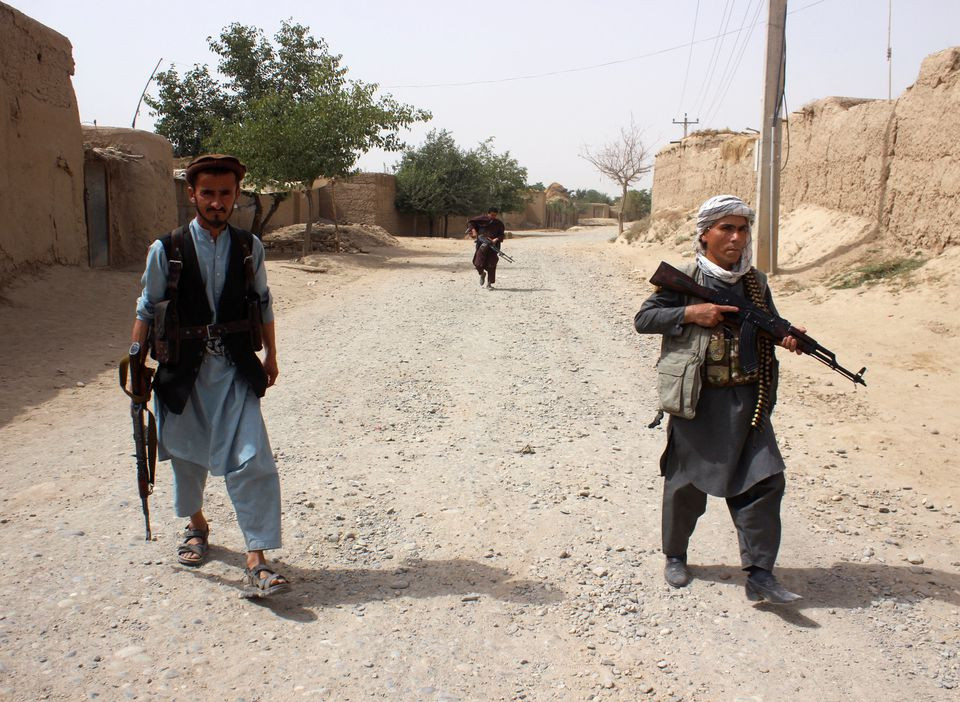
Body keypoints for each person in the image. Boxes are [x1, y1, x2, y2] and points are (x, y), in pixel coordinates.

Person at [130, 154, 290, 598]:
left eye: (225, 194)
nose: (217, 203)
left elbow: (263, 302)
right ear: (192, 194)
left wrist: (271, 355)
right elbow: (147, 306)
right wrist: (136, 362)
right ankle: (196, 526)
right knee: (185, 454)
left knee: (253, 457)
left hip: (236, 367)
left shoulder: (248, 247)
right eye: (208, 194)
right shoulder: (168, 249)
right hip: (182, 369)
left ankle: (256, 557)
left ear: (235, 195)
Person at [634, 194, 806, 605]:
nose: (736, 238)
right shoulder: (684, 275)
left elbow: (767, 324)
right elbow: (644, 319)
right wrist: (691, 314)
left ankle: (761, 573)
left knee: (765, 481)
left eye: (743, 229)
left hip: (749, 401)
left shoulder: (755, 282)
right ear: (705, 233)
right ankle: (675, 555)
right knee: (685, 485)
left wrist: (787, 337)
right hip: (699, 402)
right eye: (726, 228)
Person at [467, 207, 506, 289]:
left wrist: (496, 239)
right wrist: (473, 230)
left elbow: (502, 234)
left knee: (491, 264)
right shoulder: (481, 219)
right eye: (492, 215)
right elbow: (471, 223)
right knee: (477, 263)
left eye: (495, 215)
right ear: (488, 213)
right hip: (482, 244)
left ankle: (489, 284)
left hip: (493, 246)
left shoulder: (498, 223)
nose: (493, 217)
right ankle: (482, 274)